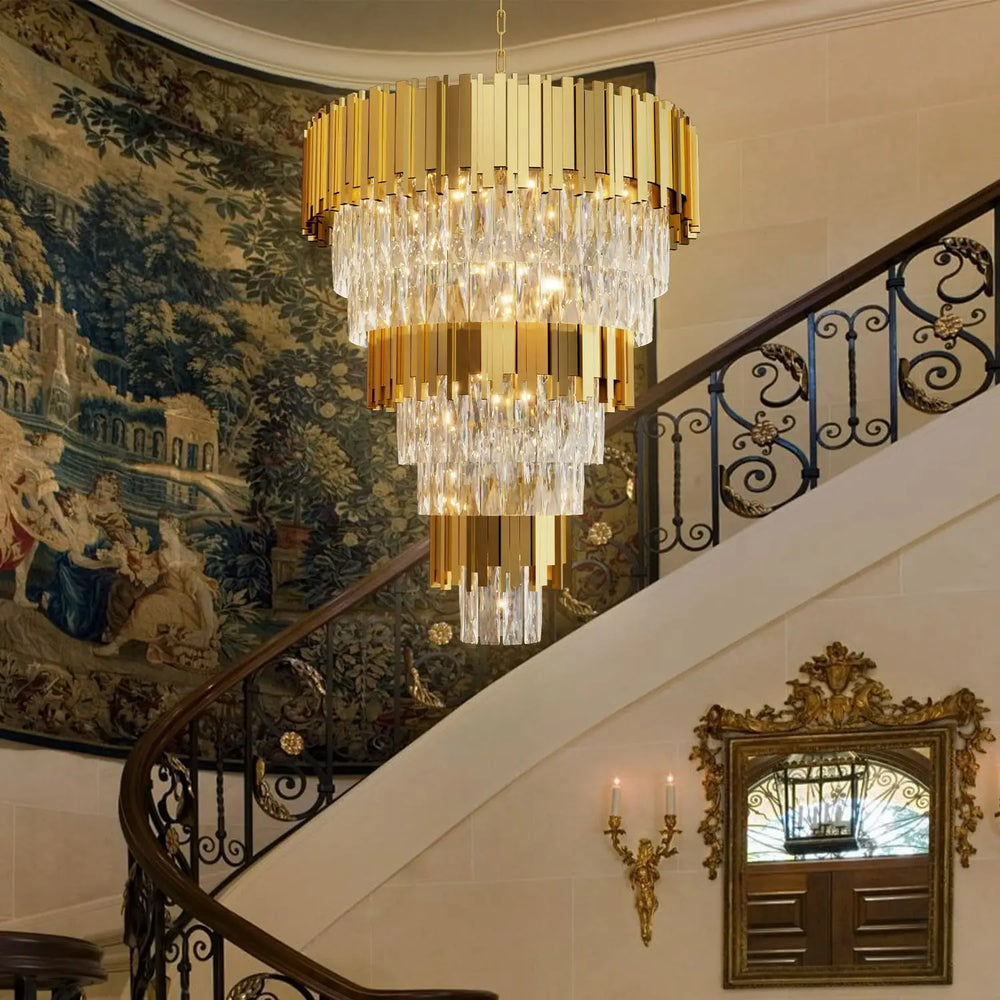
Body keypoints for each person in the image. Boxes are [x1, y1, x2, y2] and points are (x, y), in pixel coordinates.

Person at [97, 511, 219, 670]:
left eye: (163, 527)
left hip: (186, 609)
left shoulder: (188, 558)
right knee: (143, 600)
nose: (160, 531)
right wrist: (129, 548)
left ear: (175, 528)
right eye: (160, 526)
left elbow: (202, 591)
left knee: (148, 605)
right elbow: (144, 564)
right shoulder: (163, 554)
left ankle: (115, 645)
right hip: (168, 598)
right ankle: (116, 643)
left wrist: (207, 628)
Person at [0, 414, 71, 606]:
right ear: (47, 448)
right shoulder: (16, 438)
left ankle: (19, 593)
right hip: (3, 502)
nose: (58, 456)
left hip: (9, 501)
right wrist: (69, 533)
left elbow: (34, 497)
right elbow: (51, 504)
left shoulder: (37, 467)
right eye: (57, 451)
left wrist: (39, 515)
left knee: (29, 540)